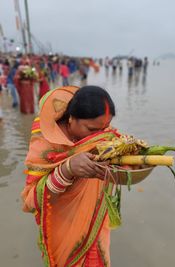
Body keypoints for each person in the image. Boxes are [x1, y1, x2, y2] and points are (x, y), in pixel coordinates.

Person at [21, 85, 120, 267]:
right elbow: (31, 201)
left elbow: (119, 155)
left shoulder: (101, 132)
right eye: (91, 130)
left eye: (105, 128)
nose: (100, 137)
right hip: (63, 225)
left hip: (93, 220)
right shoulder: (46, 142)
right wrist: (67, 170)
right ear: (71, 118)